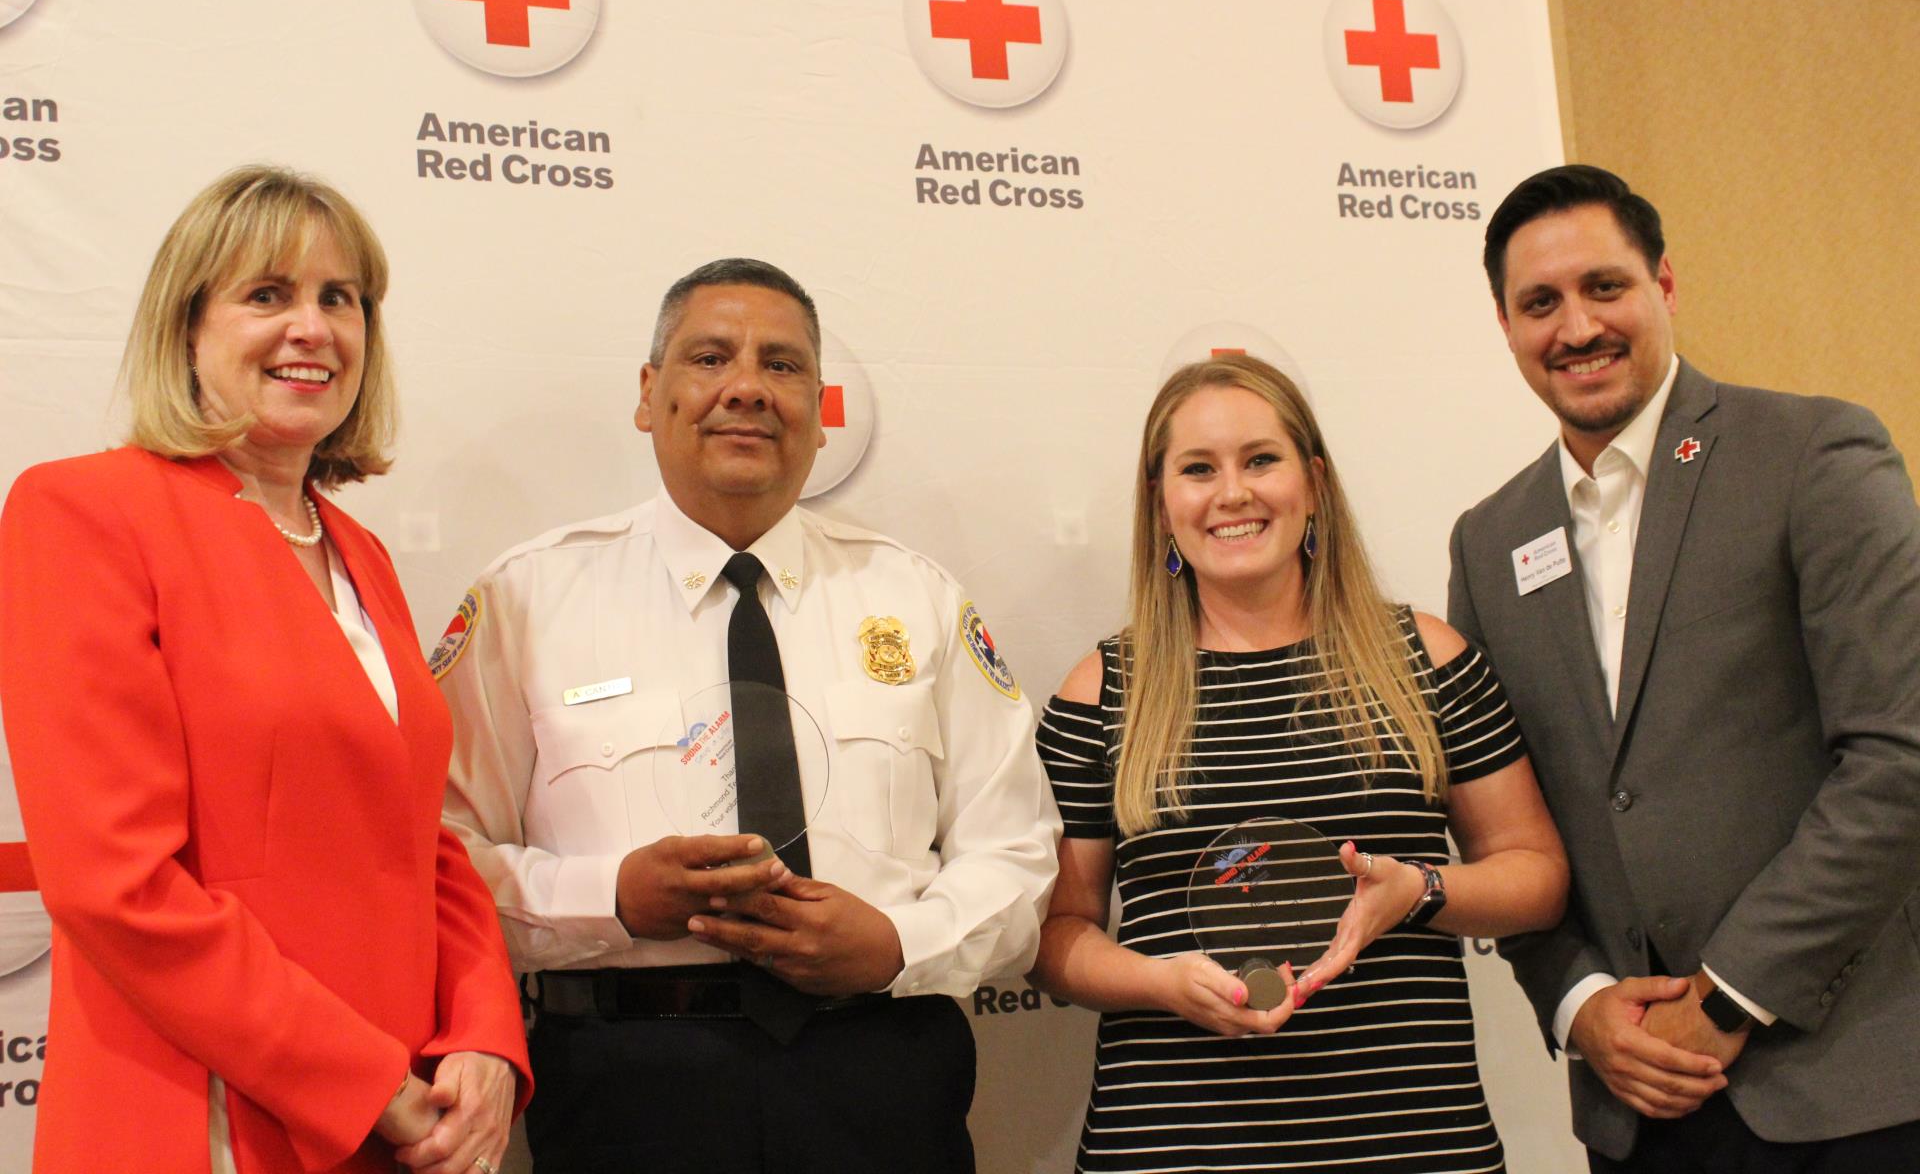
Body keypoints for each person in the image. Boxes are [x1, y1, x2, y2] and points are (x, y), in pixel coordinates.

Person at [436, 257, 1060, 1172]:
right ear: (650, 395)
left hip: (882, 1077)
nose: (746, 389)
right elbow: (442, 860)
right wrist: (609, 901)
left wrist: (897, 942)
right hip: (628, 1092)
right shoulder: (529, 601)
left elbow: (1016, 854)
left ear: (818, 403)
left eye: (781, 364)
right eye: (709, 358)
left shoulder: (917, 598)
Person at [0, 166, 531, 1173]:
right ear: (187, 326)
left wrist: (485, 1037)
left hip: (404, 1118)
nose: (312, 327)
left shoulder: (359, 551)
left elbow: (424, 844)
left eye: (341, 298)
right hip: (210, 1113)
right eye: (267, 294)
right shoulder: (83, 512)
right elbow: (114, 883)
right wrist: (363, 1082)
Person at [1449, 163, 1920, 1171]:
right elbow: (1505, 824)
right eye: (1540, 302)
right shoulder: (1489, 542)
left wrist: (1731, 993)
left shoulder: (1815, 454)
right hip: (1635, 1107)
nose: (1576, 327)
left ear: (1664, 283)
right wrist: (1580, 1006)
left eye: (1604, 286)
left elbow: (1898, 757)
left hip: (1845, 1092)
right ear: (1505, 324)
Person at [1031, 353, 1568, 1172]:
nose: (1233, 493)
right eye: (1199, 469)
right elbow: (1052, 936)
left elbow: (1536, 876)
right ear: (1161, 502)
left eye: (1261, 460)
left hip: (1411, 1140)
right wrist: (1158, 982)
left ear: (1312, 482)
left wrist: (1420, 891)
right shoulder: (1103, 690)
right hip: (1174, 1146)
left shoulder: (1425, 656)